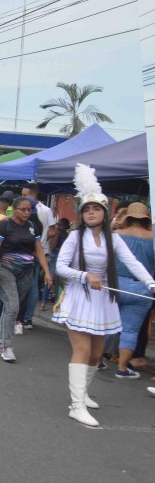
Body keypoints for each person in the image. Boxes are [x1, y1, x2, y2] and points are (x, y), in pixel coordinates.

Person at [53, 167, 155, 426]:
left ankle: (83, 394)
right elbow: (60, 267)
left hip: (102, 299)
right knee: (83, 349)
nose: (91, 213)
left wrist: (150, 282)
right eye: (87, 210)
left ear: (104, 213)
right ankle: (75, 405)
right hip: (78, 296)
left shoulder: (115, 239)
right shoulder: (76, 237)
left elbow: (132, 263)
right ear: (82, 213)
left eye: (96, 209)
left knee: (97, 355)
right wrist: (84, 275)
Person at [0, 196, 52, 363]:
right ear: (14, 209)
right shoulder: (5, 225)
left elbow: (39, 250)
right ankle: (7, 346)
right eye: (22, 209)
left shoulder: (32, 226)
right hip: (6, 270)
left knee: (10, 308)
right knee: (13, 307)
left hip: (26, 271)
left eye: (29, 209)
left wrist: (47, 272)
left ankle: (0, 343)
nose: (26, 212)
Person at [110, 203, 154, 380]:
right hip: (142, 288)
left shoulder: (117, 236)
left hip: (115, 284)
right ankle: (122, 367)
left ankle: (96, 360)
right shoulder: (152, 238)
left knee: (106, 324)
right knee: (131, 329)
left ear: (128, 217)